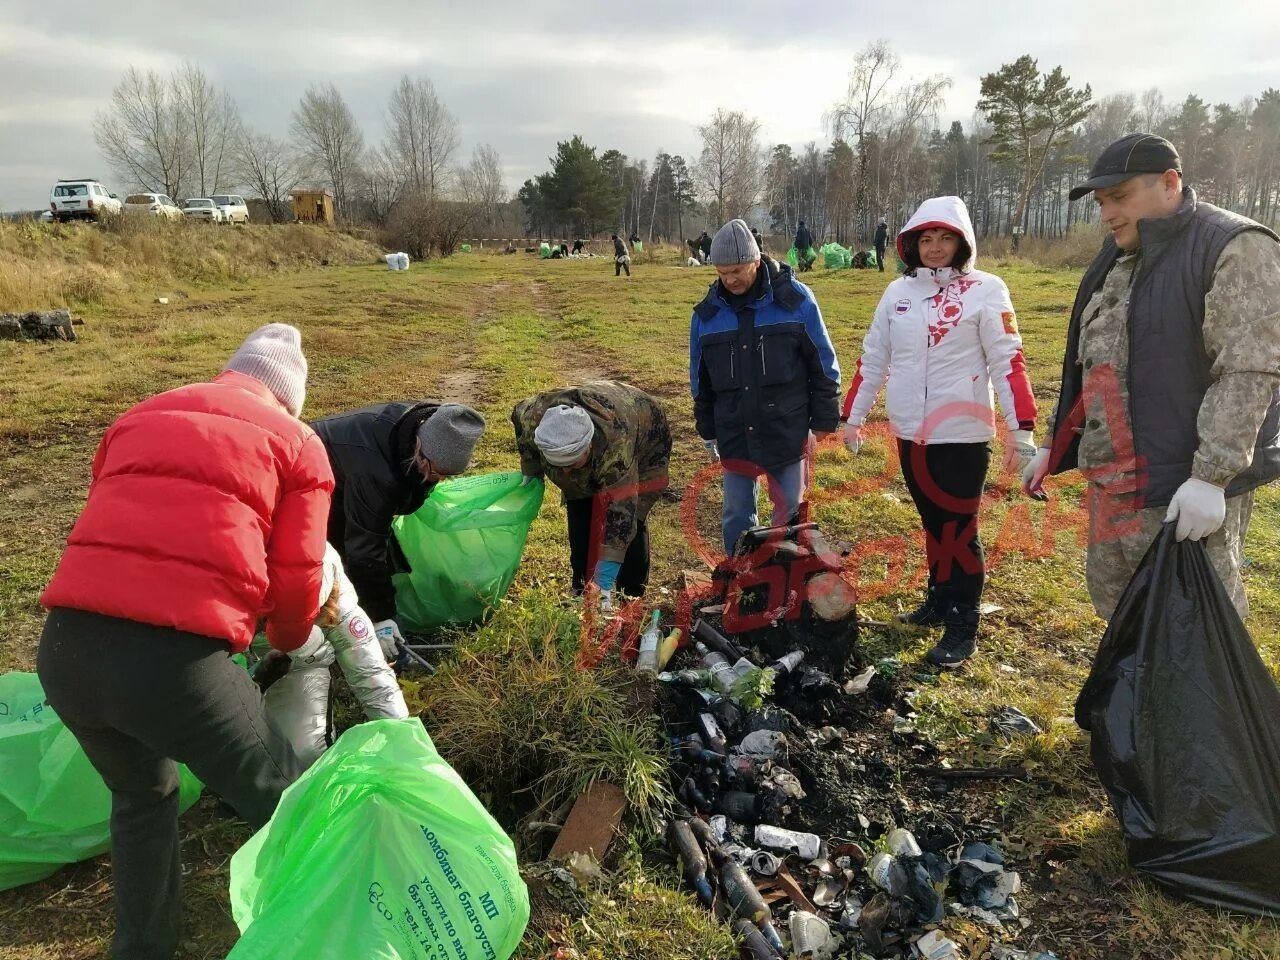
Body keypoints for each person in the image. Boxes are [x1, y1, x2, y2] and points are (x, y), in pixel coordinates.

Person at [36, 324, 332, 960]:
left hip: (65, 652)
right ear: (288, 398)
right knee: (290, 802)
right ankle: (338, 935)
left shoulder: (140, 414)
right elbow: (298, 577)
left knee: (141, 796)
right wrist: (286, 640)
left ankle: (142, 948)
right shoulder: (299, 445)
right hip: (174, 666)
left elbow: (115, 516)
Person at [1023, 133, 1280, 621]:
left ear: (1169, 182)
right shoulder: (1118, 252)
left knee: (1192, 630)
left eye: (1119, 197)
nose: (1107, 214)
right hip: (1114, 484)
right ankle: (1133, 700)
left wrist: (1210, 477)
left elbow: (1248, 370)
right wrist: (1055, 442)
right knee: (1122, 618)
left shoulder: (1233, 246)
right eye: (1101, 202)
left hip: (1180, 491)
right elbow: (1093, 361)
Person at [843, 197, 1037, 668]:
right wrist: (853, 417)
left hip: (962, 433)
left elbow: (1008, 360)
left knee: (959, 528)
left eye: (944, 238)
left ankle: (963, 621)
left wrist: (1022, 429)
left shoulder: (987, 290)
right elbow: (874, 358)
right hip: (911, 431)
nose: (934, 248)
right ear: (911, 245)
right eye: (925, 240)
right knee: (933, 522)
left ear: (962, 242)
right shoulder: (897, 293)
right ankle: (938, 598)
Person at [690, 218, 842, 554]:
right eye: (722, 272)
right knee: (736, 513)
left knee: (789, 512)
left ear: (756, 262)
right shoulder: (706, 315)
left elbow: (823, 363)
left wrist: (824, 419)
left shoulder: (796, 300)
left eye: (738, 271)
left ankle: (785, 583)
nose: (730, 280)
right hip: (734, 430)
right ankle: (739, 579)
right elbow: (700, 379)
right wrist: (707, 428)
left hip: (786, 427)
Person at [312, 401, 485, 654]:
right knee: (335, 563)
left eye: (450, 474)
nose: (442, 480)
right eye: (438, 473)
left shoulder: (422, 426)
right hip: (314, 479)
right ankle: (339, 637)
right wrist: (381, 616)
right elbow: (365, 551)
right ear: (420, 452)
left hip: (351, 475)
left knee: (376, 547)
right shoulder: (377, 474)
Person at [512, 381, 671, 609]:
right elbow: (520, 427)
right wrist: (531, 468)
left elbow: (622, 515)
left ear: (588, 448)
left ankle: (631, 596)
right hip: (596, 432)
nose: (566, 471)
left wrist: (605, 577)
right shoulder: (533, 417)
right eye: (559, 465)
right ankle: (583, 588)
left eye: (572, 463)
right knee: (581, 507)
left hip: (645, 434)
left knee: (632, 518)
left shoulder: (616, 447)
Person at [261, 543, 409, 768]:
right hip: (243, 649)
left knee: (301, 754)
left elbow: (372, 675)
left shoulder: (335, 595)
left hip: (303, 661)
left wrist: (404, 741)